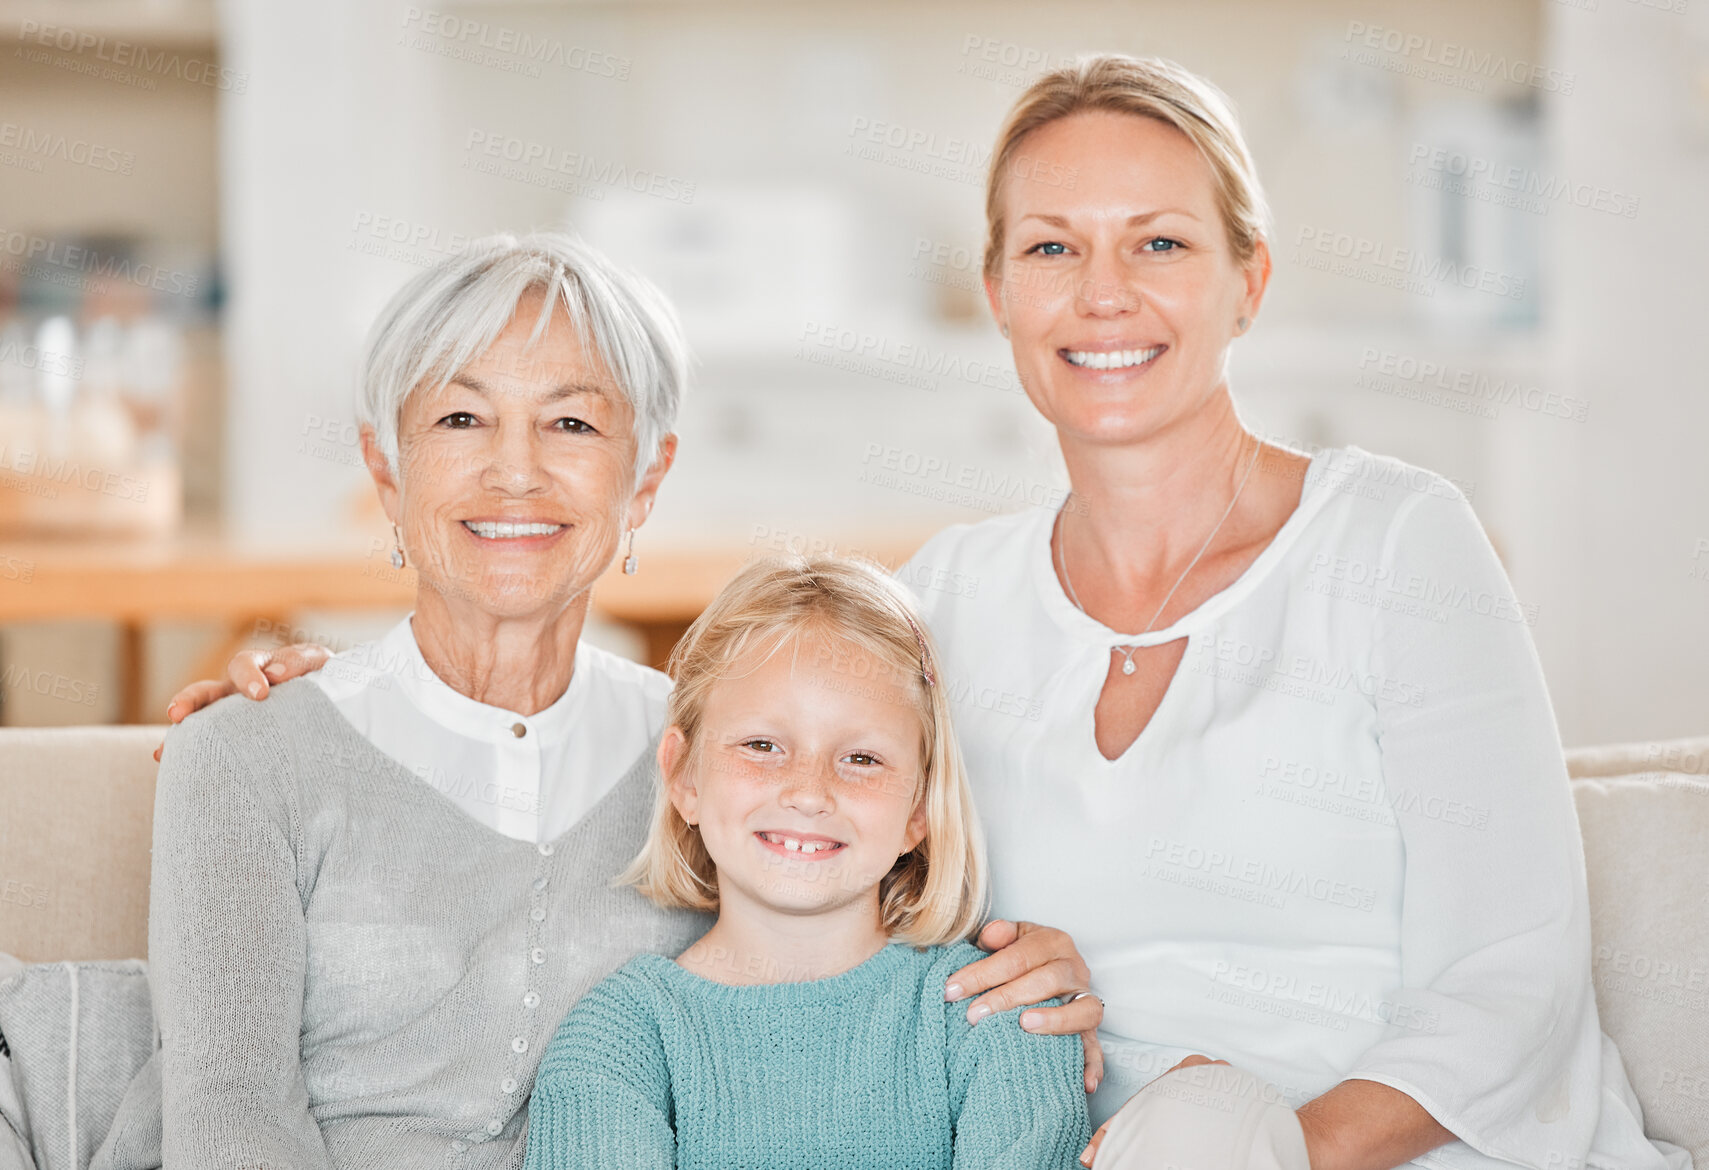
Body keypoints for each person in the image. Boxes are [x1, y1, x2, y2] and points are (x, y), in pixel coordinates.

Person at [105, 233, 1095, 1170]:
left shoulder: (725, 758)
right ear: (385, 468)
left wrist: (1027, 960)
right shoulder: (245, 751)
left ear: (645, 479)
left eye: (572, 423)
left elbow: (869, 935)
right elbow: (230, 1122)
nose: (516, 470)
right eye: (461, 418)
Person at [898, 54, 1689, 1170]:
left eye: (1159, 241)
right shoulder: (944, 596)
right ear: (998, 295)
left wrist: (1265, 1154)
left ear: (1248, 280)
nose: (1102, 291)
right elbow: (856, 926)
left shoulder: (1393, 541)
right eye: (1049, 247)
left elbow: (1508, 979)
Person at [523, 556, 1089, 1168]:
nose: (810, 791)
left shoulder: (1000, 1010)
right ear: (684, 775)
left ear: (920, 808)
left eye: (862, 759)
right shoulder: (621, 1037)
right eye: (762, 746)